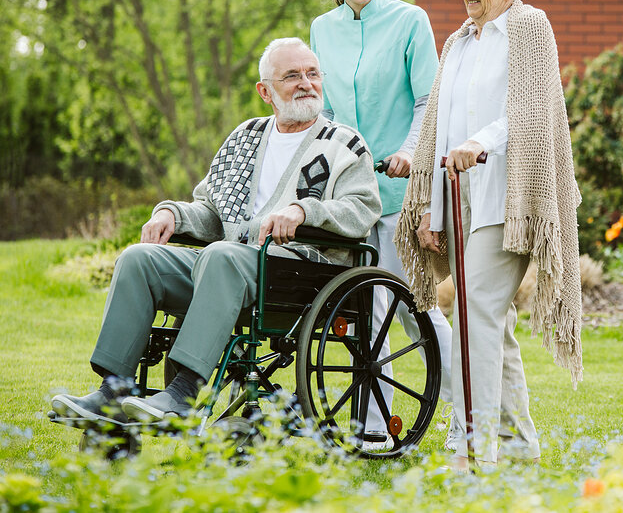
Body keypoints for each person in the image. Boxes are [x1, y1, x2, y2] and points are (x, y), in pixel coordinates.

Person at [51, 38, 381, 424]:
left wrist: (303, 210)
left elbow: (363, 209)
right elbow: (211, 208)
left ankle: (185, 391)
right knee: (139, 259)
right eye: (292, 76)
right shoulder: (245, 137)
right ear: (265, 91)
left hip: (298, 272)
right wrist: (172, 215)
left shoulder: (344, 143)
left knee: (221, 255)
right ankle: (114, 391)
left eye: (312, 73)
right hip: (225, 267)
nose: (306, 83)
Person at [394, 0, 582, 468]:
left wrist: (481, 143)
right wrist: (428, 203)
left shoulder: (529, 27)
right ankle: (521, 449)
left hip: (511, 198)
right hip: (459, 198)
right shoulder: (458, 41)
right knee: (489, 325)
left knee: (476, 314)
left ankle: (474, 451)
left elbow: (529, 110)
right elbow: (437, 125)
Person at [310, 0, 455, 446]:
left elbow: (427, 102)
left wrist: (412, 152)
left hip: (399, 191)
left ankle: (473, 409)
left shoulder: (410, 20)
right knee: (362, 310)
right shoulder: (322, 30)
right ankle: (373, 429)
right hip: (351, 196)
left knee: (413, 308)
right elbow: (324, 110)